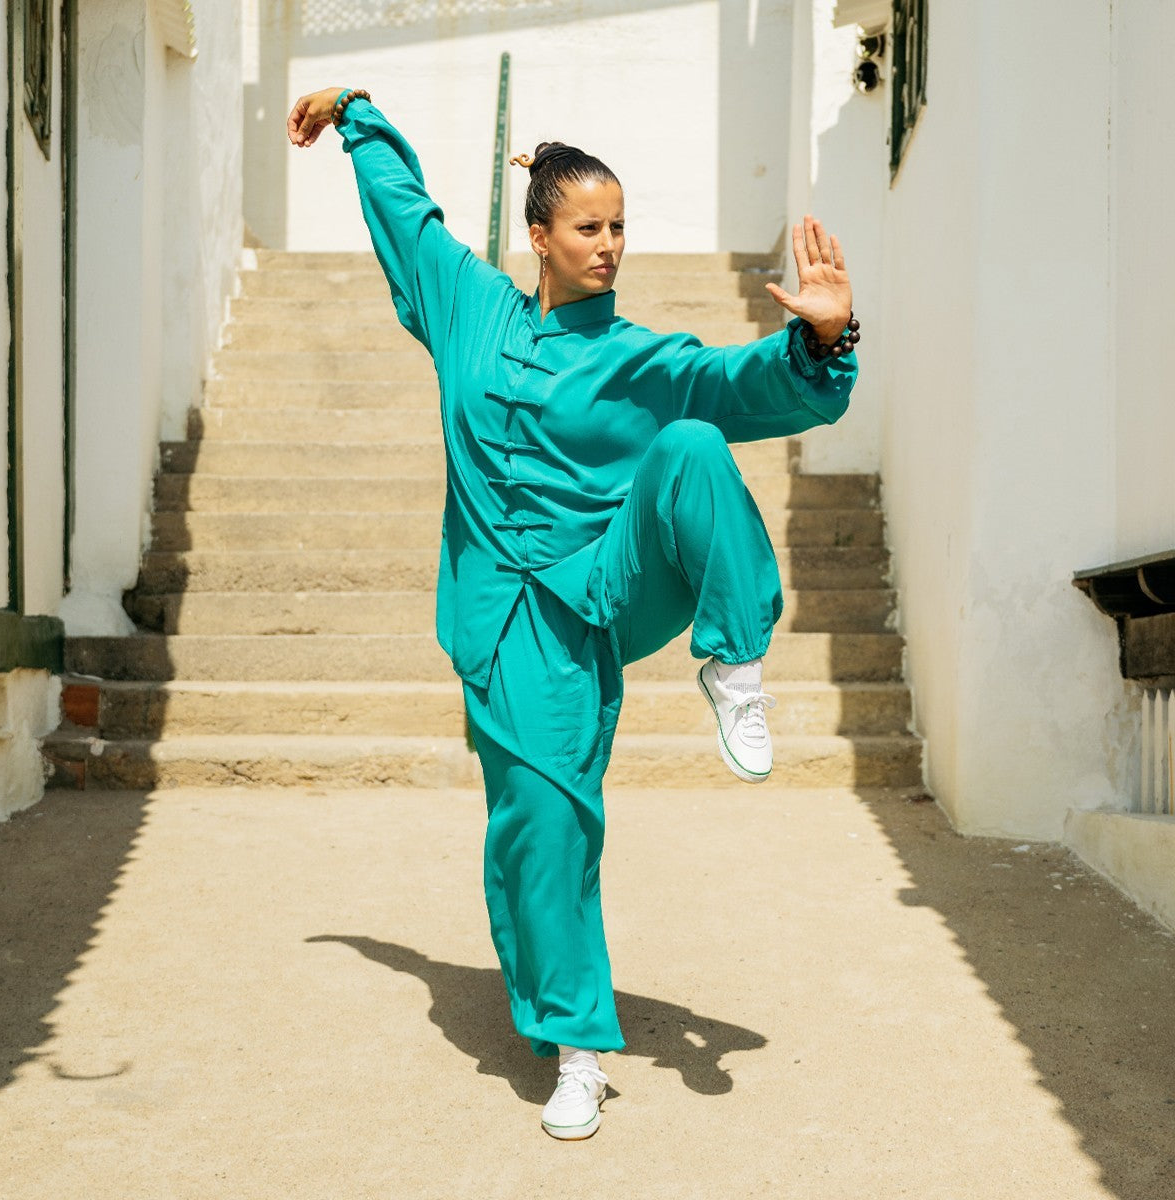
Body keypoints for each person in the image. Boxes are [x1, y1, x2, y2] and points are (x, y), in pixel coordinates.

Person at [287, 86, 858, 1141]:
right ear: (538, 235)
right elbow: (407, 218)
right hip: (505, 623)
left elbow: (755, 385)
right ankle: (579, 1048)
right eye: (590, 228)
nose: (610, 247)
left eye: (621, 228)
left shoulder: (644, 359)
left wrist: (827, 337)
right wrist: (355, 116)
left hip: (611, 584)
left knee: (691, 446)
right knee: (542, 826)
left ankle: (733, 667)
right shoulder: (468, 307)